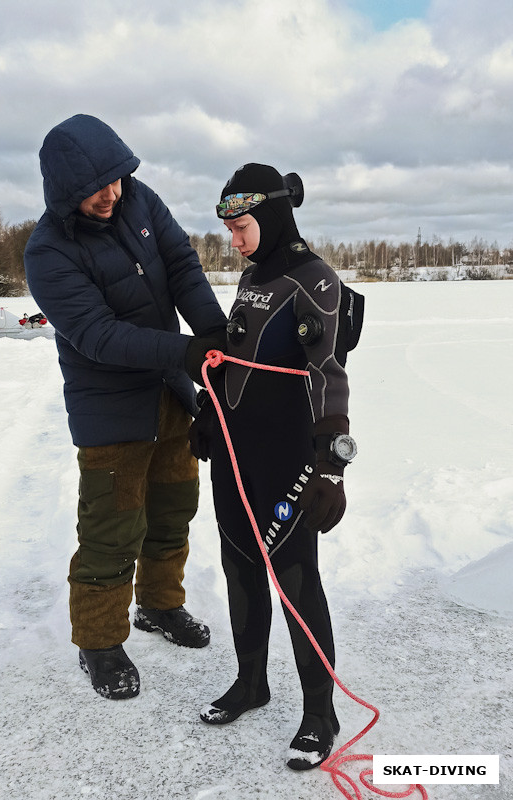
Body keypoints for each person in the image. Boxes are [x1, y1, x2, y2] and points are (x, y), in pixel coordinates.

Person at [24, 114, 227, 700]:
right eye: (96, 187)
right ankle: (99, 641)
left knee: (173, 507)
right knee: (113, 526)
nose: (111, 193)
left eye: (116, 178)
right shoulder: (48, 251)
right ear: (64, 191)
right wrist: (189, 351)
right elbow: (98, 336)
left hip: (168, 393)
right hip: (110, 410)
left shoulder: (139, 199)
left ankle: (160, 606)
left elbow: (184, 268)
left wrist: (216, 337)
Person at [190, 163, 363, 769]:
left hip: (288, 459)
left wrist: (332, 467)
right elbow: (239, 358)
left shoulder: (314, 279)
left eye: (241, 226)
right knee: (239, 569)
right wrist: (210, 415)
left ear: (269, 217)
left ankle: (320, 712)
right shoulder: (255, 276)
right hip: (238, 457)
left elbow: (328, 375)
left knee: (293, 581)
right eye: (229, 228)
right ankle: (251, 682)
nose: (232, 239)